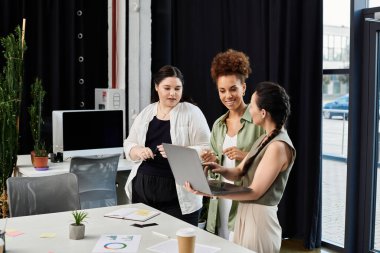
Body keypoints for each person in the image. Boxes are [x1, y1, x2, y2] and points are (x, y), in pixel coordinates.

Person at [185, 81, 296, 253]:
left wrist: (209, 190)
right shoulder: (264, 139)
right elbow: (238, 173)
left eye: (252, 105)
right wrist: (218, 168)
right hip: (245, 214)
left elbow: (254, 192)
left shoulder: (278, 146)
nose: (249, 109)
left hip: (259, 221)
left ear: (263, 112)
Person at [124, 65, 210, 226]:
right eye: (167, 88)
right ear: (157, 87)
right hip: (143, 191)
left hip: (178, 194)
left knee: (179, 244)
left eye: (177, 88)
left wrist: (176, 152)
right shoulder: (147, 113)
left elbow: (206, 148)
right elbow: (129, 143)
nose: (173, 93)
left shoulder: (192, 112)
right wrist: (138, 150)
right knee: (145, 244)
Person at [201, 49, 264, 240]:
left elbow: (276, 162)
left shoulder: (259, 123)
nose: (228, 95)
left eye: (233, 89)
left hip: (246, 206)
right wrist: (209, 162)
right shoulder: (218, 125)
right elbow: (213, 174)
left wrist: (245, 155)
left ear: (243, 88)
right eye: (222, 90)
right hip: (220, 205)